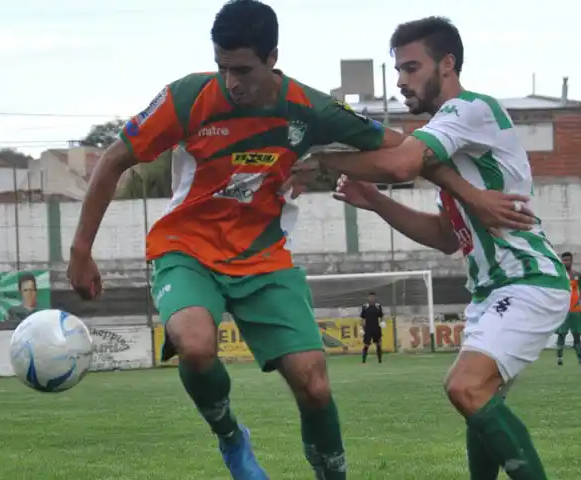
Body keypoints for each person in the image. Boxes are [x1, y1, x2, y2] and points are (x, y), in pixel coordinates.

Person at [67, 2, 535, 478]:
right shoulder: (187, 98)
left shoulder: (309, 108)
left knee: (313, 383)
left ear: (272, 57)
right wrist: (81, 251)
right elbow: (113, 160)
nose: (231, 82)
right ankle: (231, 436)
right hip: (186, 248)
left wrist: (472, 195)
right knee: (195, 344)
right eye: (222, 67)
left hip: (262, 258)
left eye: (243, 69)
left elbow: (405, 153)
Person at [330, 17, 569, 480]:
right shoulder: (455, 145)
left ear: (447, 64)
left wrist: (313, 159)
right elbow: (445, 237)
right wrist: (375, 201)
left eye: (411, 67)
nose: (401, 80)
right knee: (479, 399)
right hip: (493, 288)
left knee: (464, 387)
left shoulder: (469, 110)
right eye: (397, 69)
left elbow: (402, 162)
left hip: (526, 279)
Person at [555, 252, 581, 366]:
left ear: (572, 261)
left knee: (577, 335)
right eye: (564, 260)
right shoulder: (558, 275)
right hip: (563, 310)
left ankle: (580, 358)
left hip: (576, 309)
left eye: (568, 260)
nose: (566, 262)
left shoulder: (577, 275)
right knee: (561, 334)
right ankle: (560, 358)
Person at [359, 292, 383, 364]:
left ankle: (380, 360)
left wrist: (382, 323)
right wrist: (363, 327)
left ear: (375, 298)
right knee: (366, 344)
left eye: (373, 297)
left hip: (376, 328)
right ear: (368, 298)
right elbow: (363, 318)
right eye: (370, 297)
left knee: (378, 344)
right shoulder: (365, 306)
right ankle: (363, 361)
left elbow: (381, 316)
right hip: (368, 329)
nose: (372, 298)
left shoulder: (378, 306)